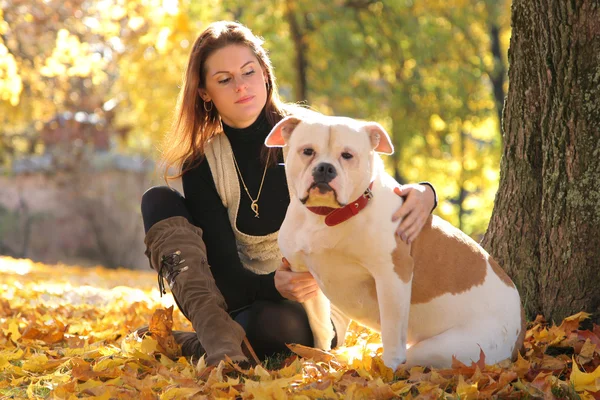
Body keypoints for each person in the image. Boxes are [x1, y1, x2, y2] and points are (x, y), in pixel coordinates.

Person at [140, 21, 438, 366]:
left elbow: (370, 182)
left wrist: (425, 191)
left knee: (270, 328)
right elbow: (225, 275)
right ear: (205, 92)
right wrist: (273, 286)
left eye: (249, 72)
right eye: (224, 79)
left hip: (316, 298)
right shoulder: (203, 161)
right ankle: (218, 338)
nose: (241, 87)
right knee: (156, 199)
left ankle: (202, 345)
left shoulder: (307, 133)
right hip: (241, 295)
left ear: (265, 74)